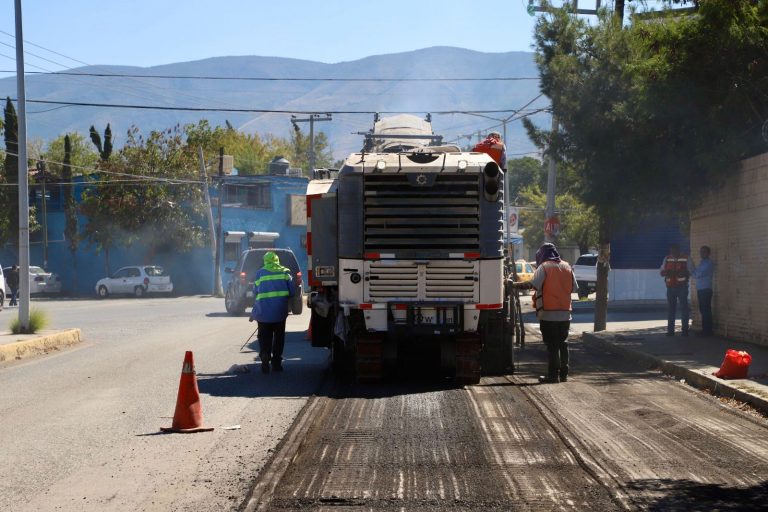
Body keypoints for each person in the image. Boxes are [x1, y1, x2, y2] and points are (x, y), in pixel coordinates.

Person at [513, 243, 579, 384]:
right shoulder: (567, 267)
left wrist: (513, 285)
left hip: (548, 314)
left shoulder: (544, 267)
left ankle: (553, 376)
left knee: (552, 345)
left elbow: (532, 285)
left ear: (541, 254)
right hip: (565, 313)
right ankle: (564, 374)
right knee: (563, 343)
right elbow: (574, 288)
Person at [249, 252, 296, 373]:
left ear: (265, 261)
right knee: (279, 337)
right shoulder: (285, 272)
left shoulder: (259, 273)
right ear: (277, 260)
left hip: (263, 312)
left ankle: (265, 354)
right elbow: (292, 291)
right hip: (280, 311)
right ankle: (276, 363)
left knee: (263, 335)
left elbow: (255, 291)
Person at [660, 243, 690, 337]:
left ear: (678, 250)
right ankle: (670, 331)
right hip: (670, 288)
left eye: (674, 251)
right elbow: (661, 272)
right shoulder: (667, 258)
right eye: (671, 251)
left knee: (684, 309)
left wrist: (683, 273)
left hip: (682, 287)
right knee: (671, 309)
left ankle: (685, 331)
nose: (673, 253)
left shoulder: (686, 258)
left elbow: (691, 271)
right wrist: (667, 272)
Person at [690, 245, 714, 336]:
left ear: (708, 253)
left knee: (705, 310)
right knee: (703, 310)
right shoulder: (702, 263)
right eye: (701, 252)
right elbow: (697, 273)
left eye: (704, 252)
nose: (701, 253)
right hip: (701, 289)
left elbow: (697, 274)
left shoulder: (708, 264)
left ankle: (707, 331)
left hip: (705, 289)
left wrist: (691, 269)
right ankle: (705, 330)